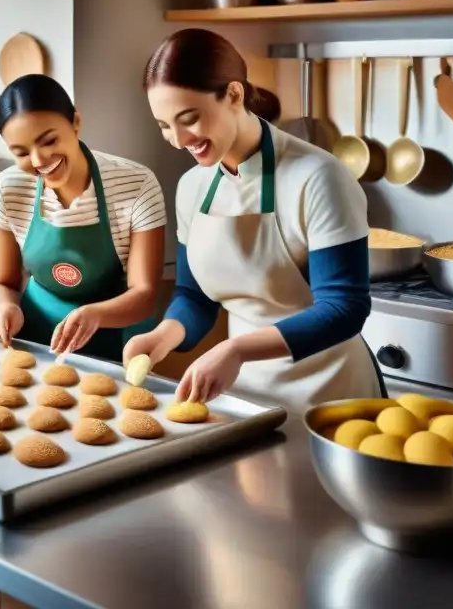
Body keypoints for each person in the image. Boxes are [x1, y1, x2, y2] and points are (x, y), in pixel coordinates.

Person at [123, 29, 384, 413]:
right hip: (246, 392)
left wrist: (237, 349)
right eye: (164, 125)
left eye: (189, 118)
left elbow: (344, 308)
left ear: (233, 95)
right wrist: (163, 336)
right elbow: (194, 298)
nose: (178, 140)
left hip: (331, 391)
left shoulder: (318, 177)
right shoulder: (192, 187)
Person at [0, 73, 167, 360]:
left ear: (76, 123)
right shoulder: (7, 188)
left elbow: (144, 296)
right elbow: (5, 283)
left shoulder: (136, 183)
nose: (38, 161)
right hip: (37, 341)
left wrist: (94, 315)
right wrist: (5, 308)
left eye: (48, 141)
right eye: (21, 152)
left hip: (118, 341)